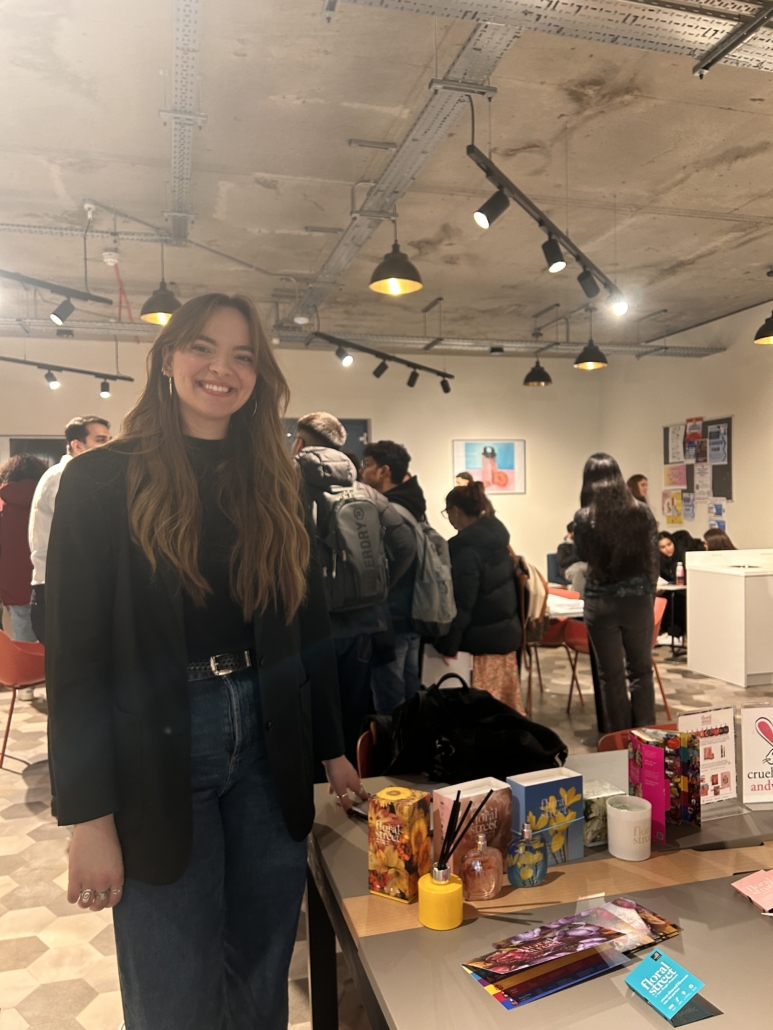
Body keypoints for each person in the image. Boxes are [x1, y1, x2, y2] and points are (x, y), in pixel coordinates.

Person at [45, 294, 364, 1030]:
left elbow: (303, 618)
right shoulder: (99, 481)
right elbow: (76, 658)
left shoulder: (275, 479)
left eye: (243, 355)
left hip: (267, 737)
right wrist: (89, 817)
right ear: (165, 359)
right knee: (173, 979)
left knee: (259, 963)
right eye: (202, 348)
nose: (222, 369)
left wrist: (330, 745)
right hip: (157, 739)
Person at [292, 412, 415, 765]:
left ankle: (317, 799)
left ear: (300, 443)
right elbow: (406, 544)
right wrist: (379, 587)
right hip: (364, 624)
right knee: (354, 714)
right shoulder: (365, 492)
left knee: (311, 716)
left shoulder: (288, 490)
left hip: (309, 626)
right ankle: (355, 793)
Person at [574, 453, 659, 733]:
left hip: (601, 602)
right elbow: (652, 559)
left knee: (610, 676)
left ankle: (619, 741)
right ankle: (647, 738)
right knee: (641, 671)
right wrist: (648, 593)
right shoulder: (641, 511)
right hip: (638, 601)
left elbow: (582, 555)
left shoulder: (585, 517)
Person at [434, 482, 523, 711]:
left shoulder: (465, 548)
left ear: (455, 510)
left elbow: (463, 603)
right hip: (505, 640)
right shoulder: (498, 539)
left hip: (480, 647)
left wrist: (448, 645)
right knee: (502, 713)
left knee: (478, 715)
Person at [27, 415, 112, 642]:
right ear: (77, 445)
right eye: (101, 440)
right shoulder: (63, 476)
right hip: (58, 587)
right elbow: (82, 535)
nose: (110, 447)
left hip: (66, 585)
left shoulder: (74, 475)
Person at [361, 440, 427, 713]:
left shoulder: (388, 510)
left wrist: (379, 590)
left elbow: (396, 557)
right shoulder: (414, 504)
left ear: (383, 471)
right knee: (411, 689)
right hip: (416, 610)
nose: (362, 472)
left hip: (394, 616)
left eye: (367, 465)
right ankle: (414, 748)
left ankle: (393, 752)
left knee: (389, 697)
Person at [0, 454, 48, 643]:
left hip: (14, 589)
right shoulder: (54, 503)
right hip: (50, 585)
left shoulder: (2, 509)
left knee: (23, 646)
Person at [556, 521, 587, 596]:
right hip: (569, 569)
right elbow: (562, 562)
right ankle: (581, 598)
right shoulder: (563, 547)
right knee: (578, 571)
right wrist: (577, 554)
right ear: (569, 533)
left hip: (584, 565)